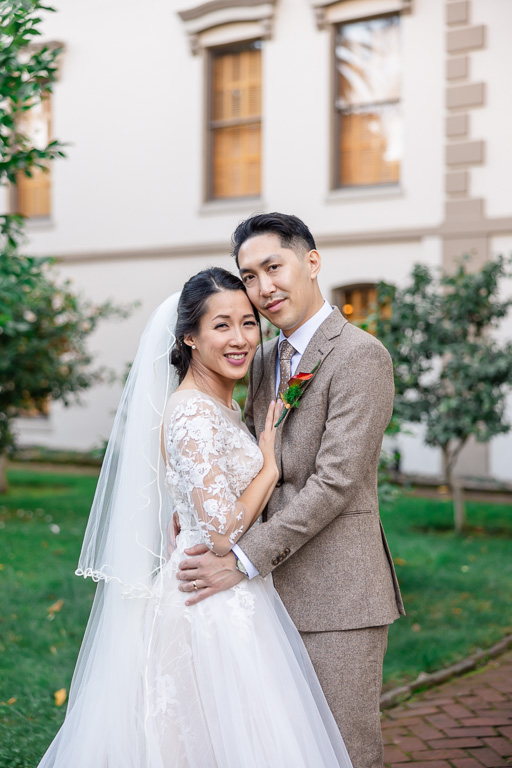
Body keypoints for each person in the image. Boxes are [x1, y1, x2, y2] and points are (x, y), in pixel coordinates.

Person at [37, 267, 353, 768]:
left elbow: (203, 500)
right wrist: (269, 467)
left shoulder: (219, 405)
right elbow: (223, 534)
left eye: (249, 323)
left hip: (233, 590)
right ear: (190, 336)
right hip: (208, 596)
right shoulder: (190, 412)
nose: (241, 338)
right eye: (221, 325)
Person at [176, 214, 405, 768]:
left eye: (272, 267)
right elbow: (239, 453)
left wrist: (243, 559)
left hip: (336, 598)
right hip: (261, 602)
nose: (262, 288)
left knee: (343, 753)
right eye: (249, 276)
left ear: (311, 261)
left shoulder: (360, 356)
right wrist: (195, 511)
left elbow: (336, 482)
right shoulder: (260, 358)